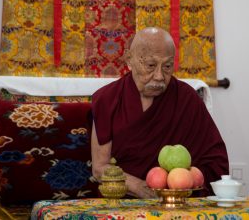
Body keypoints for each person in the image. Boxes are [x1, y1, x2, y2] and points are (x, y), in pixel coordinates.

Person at [91, 27, 229, 198]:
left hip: (177, 201)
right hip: (123, 199)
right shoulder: (108, 99)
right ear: (129, 59)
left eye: (167, 66)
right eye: (150, 65)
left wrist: (180, 184)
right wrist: (140, 187)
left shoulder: (186, 99)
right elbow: (99, 168)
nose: (159, 76)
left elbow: (215, 162)